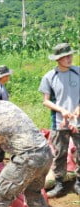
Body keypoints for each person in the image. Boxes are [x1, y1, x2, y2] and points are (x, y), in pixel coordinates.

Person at [38, 42, 80, 198]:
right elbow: (46, 101)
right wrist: (62, 110)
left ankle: (78, 183)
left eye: (70, 55)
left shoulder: (78, 72)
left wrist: (77, 110)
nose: (69, 58)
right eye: (65, 56)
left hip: (78, 121)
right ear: (58, 59)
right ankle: (60, 184)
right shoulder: (49, 77)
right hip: (58, 122)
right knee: (59, 154)